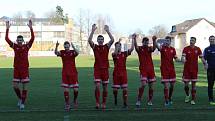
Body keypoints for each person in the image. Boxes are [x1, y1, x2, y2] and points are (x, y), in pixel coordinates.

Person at [5, 20, 35, 110]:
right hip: (17, 69)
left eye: (21, 40)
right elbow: (6, 39)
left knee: (24, 87)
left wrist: (31, 28)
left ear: (23, 40)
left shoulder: (27, 46)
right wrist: (7, 28)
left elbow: (33, 38)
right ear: (17, 41)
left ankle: (22, 103)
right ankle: (20, 98)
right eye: (18, 40)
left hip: (25, 69)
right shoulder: (14, 46)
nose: (19, 41)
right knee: (15, 86)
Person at [88, 24, 114, 109]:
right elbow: (89, 40)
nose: (100, 40)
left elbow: (112, 40)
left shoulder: (106, 46)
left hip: (105, 69)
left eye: (101, 39)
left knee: (105, 87)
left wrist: (107, 31)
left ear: (103, 40)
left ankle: (103, 103)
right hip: (97, 69)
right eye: (99, 39)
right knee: (97, 86)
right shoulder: (95, 47)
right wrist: (92, 30)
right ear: (97, 40)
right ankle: (97, 102)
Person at [155, 36, 181, 106]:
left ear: (170, 41)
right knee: (166, 86)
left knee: (172, 86)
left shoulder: (173, 49)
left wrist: (181, 60)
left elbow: (175, 58)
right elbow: (157, 47)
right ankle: (166, 100)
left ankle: (169, 98)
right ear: (164, 41)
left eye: (168, 41)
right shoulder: (162, 48)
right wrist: (155, 40)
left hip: (171, 69)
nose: (167, 42)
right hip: (164, 69)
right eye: (166, 40)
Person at [55, 41, 79, 111]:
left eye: (67, 46)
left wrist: (73, 46)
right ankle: (67, 104)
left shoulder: (72, 52)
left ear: (69, 46)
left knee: (76, 90)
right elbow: (56, 53)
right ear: (64, 47)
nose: (66, 48)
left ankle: (74, 100)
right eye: (65, 47)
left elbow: (77, 53)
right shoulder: (62, 52)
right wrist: (56, 46)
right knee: (66, 90)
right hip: (65, 73)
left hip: (73, 73)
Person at [181, 37, 206, 105]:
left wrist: (205, 64)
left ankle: (193, 99)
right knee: (186, 85)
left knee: (193, 85)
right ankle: (187, 95)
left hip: (194, 69)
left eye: (193, 40)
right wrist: (183, 59)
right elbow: (183, 56)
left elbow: (202, 58)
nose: (191, 41)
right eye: (190, 40)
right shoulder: (186, 48)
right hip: (187, 69)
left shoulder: (198, 49)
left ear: (195, 42)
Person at [134, 35, 157, 107]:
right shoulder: (140, 49)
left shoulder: (149, 48)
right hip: (143, 70)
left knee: (151, 87)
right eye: (145, 42)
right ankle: (138, 100)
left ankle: (150, 100)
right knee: (143, 84)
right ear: (142, 42)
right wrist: (134, 39)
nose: (146, 44)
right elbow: (136, 47)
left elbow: (154, 48)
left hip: (151, 70)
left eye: (147, 43)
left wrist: (154, 40)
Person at [112, 37, 134, 108]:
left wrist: (133, 39)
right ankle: (115, 98)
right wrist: (117, 45)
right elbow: (115, 53)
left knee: (125, 89)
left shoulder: (124, 54)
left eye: (119, 46)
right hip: (116, 74)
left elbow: (131, 49)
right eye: (117, 46)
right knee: (115, 90)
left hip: (123, 74)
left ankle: (125, 103)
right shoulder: (113, 54)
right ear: (115, 47)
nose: (118, 47)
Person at [203, 35, 215, 105]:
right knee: (210, 85)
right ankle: (211, 99)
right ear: (209, 40)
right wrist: (205, 64)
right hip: (210, 70)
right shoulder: (207, 49)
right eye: (211, 39)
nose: (212, 40)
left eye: (213, 39)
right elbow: (204, 58)